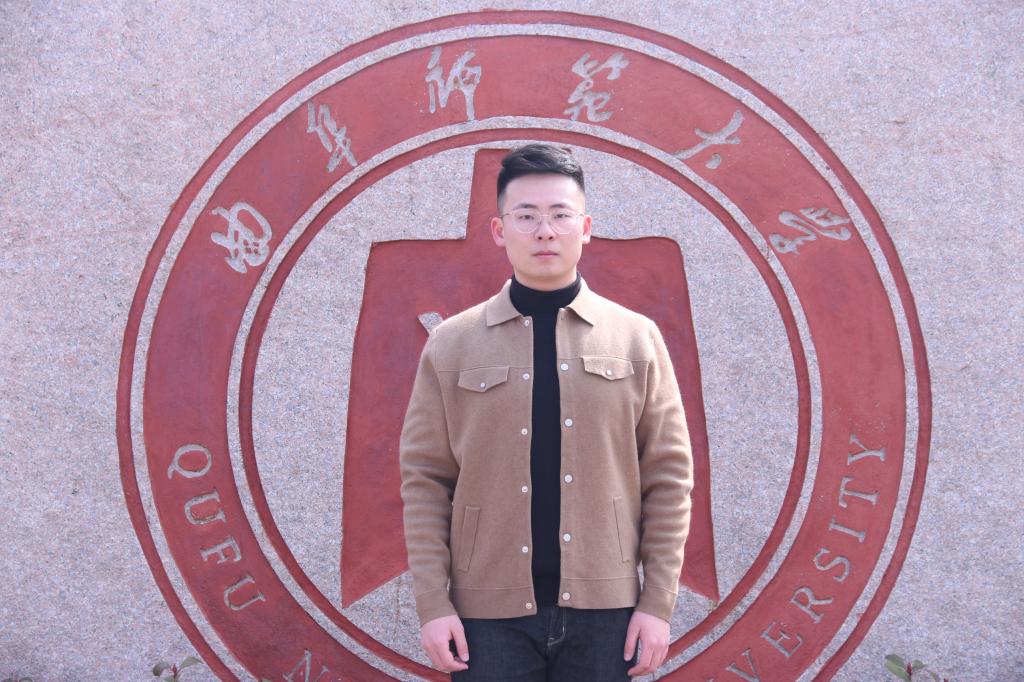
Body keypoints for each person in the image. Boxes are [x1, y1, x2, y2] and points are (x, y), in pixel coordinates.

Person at [399, 143, 694, 680]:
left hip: (607, 614)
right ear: (499, 230)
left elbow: (669, 477)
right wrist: (433, 604)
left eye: (560, 215)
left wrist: (657, 604)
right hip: (486, 619)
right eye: (526, 216)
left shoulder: (635, 338)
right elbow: (425, 480)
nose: (544, 232)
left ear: (586, 228)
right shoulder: (451, 344)